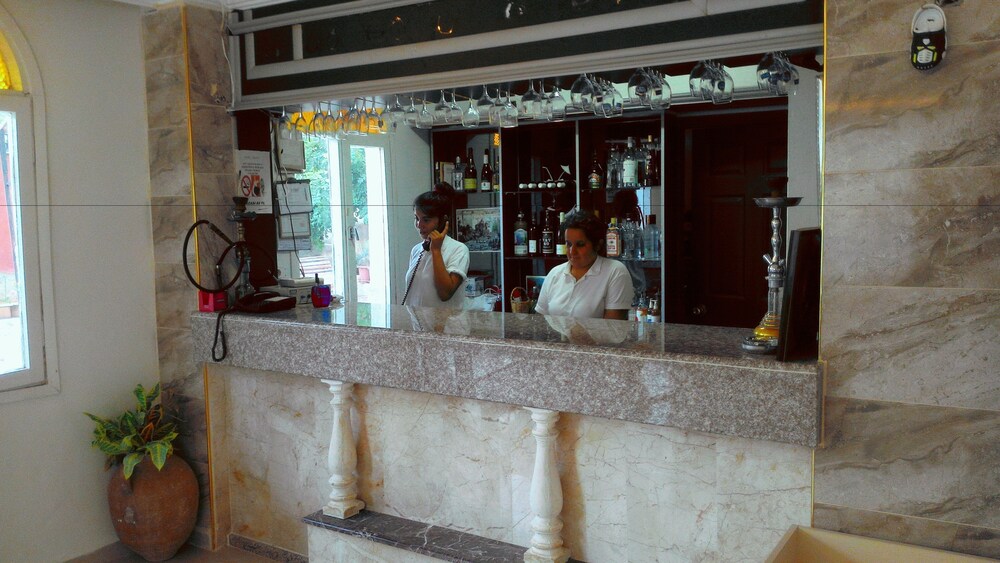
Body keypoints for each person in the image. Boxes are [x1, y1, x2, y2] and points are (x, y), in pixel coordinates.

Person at [534, 210, 632, 319]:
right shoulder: (555, 273)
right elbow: (539, 321)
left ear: (598, 245)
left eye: (580, 244)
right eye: (568, 244)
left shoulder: (615, 272)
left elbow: (613, 327)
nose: (572, 251)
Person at [401, 182, 469, 308]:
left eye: (426, 220)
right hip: (416, 320)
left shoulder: (459, 249)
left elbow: (445, 294)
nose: (419, 225)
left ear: (443, 220)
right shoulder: (417, 250)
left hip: (446, 321)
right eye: (417, 218)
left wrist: (436, 250)